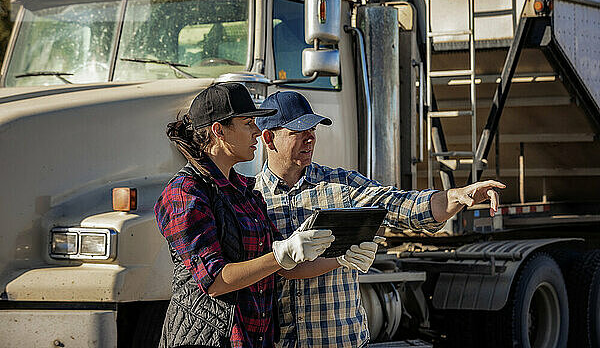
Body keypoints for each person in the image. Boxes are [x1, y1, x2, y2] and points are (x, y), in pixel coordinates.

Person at [254, 90, 506, 348]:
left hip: (341, 342)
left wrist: (454, 197)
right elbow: (267, 270)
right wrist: (339, 258)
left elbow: (397, 204)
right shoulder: (249, 198)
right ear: (268, 138)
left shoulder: (340, 185)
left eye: (313, 130)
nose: (310, 138)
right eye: (298, 131)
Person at [154, 83, 371, 348]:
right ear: (218, 131)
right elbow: (216, 281)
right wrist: (282, 254)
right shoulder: (185, 193)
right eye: (248, 123)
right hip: (209, 339)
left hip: (251, 339)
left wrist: (341, 258)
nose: (257, 131)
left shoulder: (245, 190)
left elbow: (286, 266)